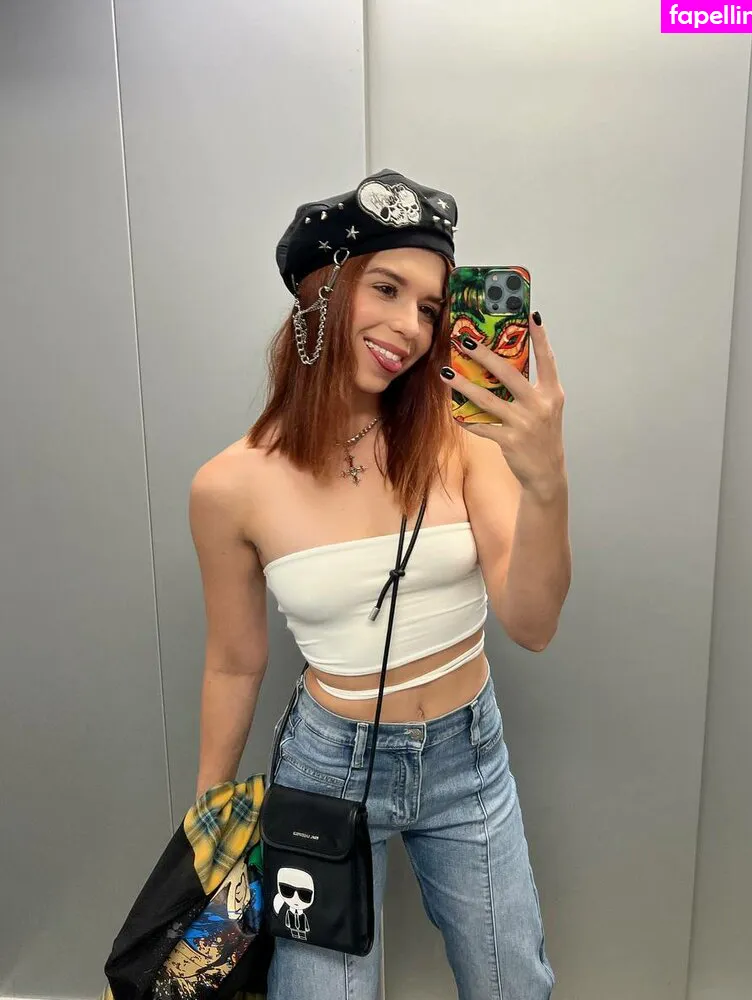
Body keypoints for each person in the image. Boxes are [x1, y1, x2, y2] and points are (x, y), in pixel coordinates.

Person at [188, 168, 571, 1000]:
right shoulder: (229, 486)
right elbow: (234, 661)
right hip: (326, 770)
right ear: (320, 293)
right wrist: (209, 816)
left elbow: (533, 623)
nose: (410, 328)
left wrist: (547, 483)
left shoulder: (464, 443)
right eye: (387, 288)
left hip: (468, 759)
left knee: (515, 986)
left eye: (431, 308)